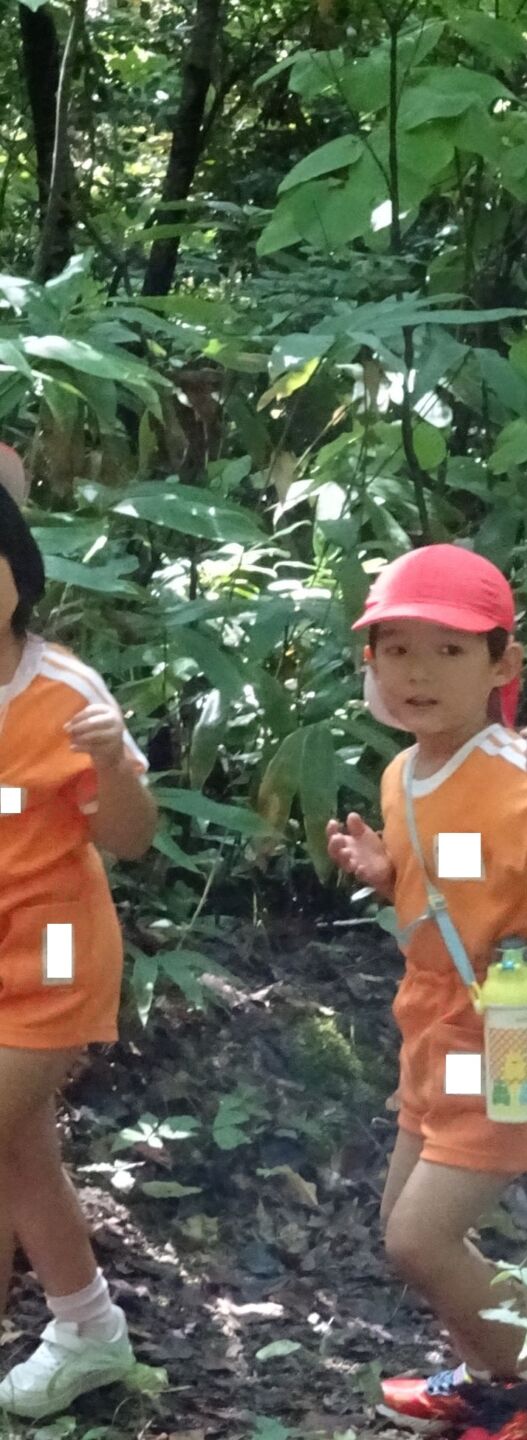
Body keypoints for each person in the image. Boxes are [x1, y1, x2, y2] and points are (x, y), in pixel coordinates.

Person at [325, 544, 527, 1440]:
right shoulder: (403, 772)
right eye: (397, 648)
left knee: (420, 1238)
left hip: (512, 1025)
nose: (419, 671)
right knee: (401, 1224)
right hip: (435, 1026)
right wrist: (386, 872)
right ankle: (498, 1368)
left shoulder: (515, 771)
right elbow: (444, 876)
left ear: (502, 665)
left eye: (450, 651)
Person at [0, 470, 157, 1419]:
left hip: (55, 952)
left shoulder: (62, 692)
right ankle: (89, 1329)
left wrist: (108, 762)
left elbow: (130, 838)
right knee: (21, 1147)